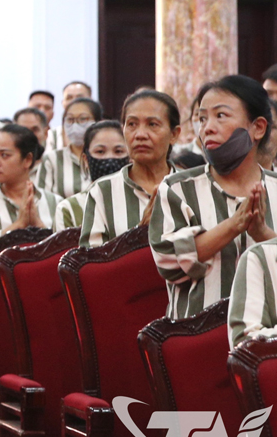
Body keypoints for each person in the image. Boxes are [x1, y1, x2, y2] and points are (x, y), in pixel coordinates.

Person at [150, 75, 277, 320]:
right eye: (202, 118)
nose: (207, 128)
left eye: (221, 115)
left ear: (258, 128)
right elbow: (168, 262)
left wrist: (262, 233)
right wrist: (234, 225)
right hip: (195, 333)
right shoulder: (177, 188)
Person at [82, 90, 180, 248]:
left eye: (152, 124)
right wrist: (139, 235)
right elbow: (90, 260)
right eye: (132, 124)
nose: (140, 135)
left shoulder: (191, 187)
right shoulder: (102, 192)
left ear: (174, 134)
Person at [0, 124, 60, 246]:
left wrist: (38, 225)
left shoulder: (54, 202)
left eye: (4, 155)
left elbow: (65, 250)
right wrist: (17, 226)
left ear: (27, 160)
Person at [54, 120, 127, 231]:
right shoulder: (69, 209)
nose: (109, 158)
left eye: (118, 151)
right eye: (100, 151)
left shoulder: (145, 203)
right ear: (86, 159)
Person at [36, 97, 102, 198]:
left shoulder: (107, 157)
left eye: (83, 119)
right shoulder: (52, 159)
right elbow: (42, 199)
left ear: (98, 121)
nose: (75, 125)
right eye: (70, 119)